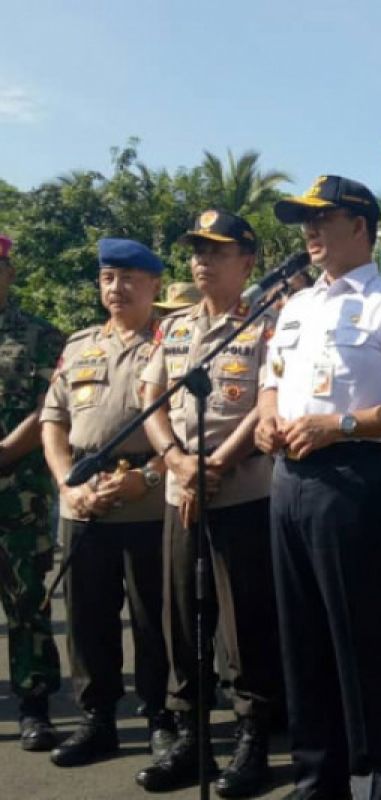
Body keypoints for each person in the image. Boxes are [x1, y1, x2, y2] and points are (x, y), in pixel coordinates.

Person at [256, 175, 381, 800]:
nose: (308, 231)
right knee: (302, 640)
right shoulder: (296, 306)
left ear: (360, 226)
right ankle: (318, 779)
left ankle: (374, 780)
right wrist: (265, 415)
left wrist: (340, 424)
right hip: (288, 481)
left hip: (354, 481)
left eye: (322, 218)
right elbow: (272, 379)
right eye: (304, 220)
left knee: (363, 642)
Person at [136, 210, 283, 797]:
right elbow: (153, 396)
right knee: (183, 617)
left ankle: (253, 740)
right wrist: (176, 460)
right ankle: (192, 736)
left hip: (242, 491)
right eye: (197, 251)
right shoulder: (173, 328)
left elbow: (269, 397)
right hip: (182, 493)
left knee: (248, 621)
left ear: (247, 261)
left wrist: (218, 463)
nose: (201, 261)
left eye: (216, 251)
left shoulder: (268, 323)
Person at [40, 238, 173, 767]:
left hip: (147, 500)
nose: (115, 288)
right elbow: (54, 420)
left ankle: (163, 716)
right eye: (107, 278)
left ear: (154, 285)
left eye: (128, 279)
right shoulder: (79, 346)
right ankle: (97, 720)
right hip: (84, 502)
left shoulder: (171, 341)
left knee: (154, 617)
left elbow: (185, 427)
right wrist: (65, 485)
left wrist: (149, 475)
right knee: (88, 619)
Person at [0, 232, 64, 753]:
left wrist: (5, 452)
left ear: (9, 273)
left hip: (18, 493)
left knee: (27, 603)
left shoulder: (41, 335)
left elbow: (49, 406)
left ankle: (34, 705)